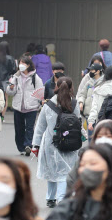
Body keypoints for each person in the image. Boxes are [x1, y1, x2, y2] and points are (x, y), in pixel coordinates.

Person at [32, 77, 81, 207]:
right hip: (71, 142)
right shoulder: (74, 104)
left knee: (52, 170)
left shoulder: (48, 106)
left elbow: (40, 126)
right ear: (71, 88)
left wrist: (35, 145)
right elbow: (79, 123)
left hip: (51, 143)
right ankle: (61, 198)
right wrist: (82, 138)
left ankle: (51, 197)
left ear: (56, 88)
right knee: (65, 172)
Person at [7, 54, 44, 156]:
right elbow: (10, 92)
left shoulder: (35, 78)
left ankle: (28, 145)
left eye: (23, 63)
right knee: (19, 128)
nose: (21, 65)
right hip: (18, 106)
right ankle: (21, 147)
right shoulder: (15, 77)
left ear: (28, 65)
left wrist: (39, 104)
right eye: (20, 63)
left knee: (29, 128)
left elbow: (40, 92)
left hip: (31, 107)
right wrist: (11, 88)